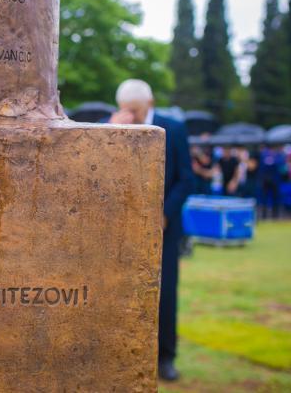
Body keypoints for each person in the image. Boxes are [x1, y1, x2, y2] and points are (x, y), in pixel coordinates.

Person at [109, 79, 193, 382]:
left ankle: (166, 358)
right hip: (124, 229)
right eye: (126, 109)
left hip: (165, 230)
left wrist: (165, 214)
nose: (131, 114)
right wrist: (111, 131)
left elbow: (187, 179)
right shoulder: (115, 126)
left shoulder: (174, 128)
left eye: (136, 109)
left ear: (150, 103)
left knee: (165, 293)